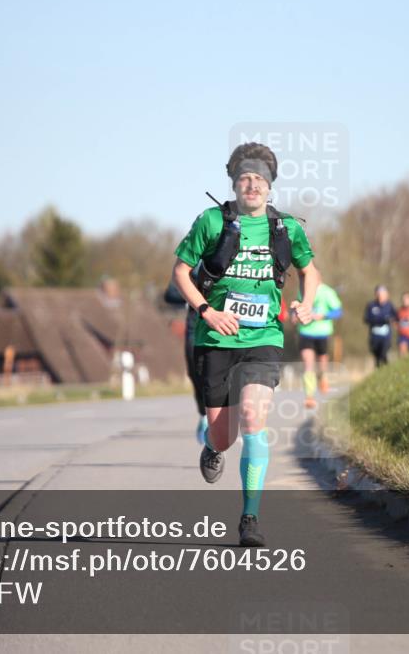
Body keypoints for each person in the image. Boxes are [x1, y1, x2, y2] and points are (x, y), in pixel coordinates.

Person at [172, 142, 320, 548]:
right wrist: (206, 311)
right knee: (224, 437)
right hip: (216, 338)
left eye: (259, 179)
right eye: (244, 178)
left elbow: (311, 272)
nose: (252, 185)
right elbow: (181, 272)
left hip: (263, 339)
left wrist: (306, 305)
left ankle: (249, 518)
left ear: (270, 187)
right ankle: (211, 446)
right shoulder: (210, 221)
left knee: (255, 420)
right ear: (234, 184)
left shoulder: (287, 228)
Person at [163, 274, 207, 444]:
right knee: (195, 371)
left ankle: (224, 416)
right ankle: (204, 415)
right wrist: (190, 293)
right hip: (195, 326)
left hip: (224, 325)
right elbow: (170, 294)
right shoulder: (192, 265)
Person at [293, 282, 342, 408]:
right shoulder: (302, 289)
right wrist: (294, 315)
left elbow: (338, 312)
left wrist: (324, 315)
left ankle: (323, 377)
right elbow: (297, 307)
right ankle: (309, 396)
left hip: (322, 333)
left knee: (322, 360)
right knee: (308, 363)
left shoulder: (328, 291)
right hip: (305, 332)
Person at [363, 285, 397, 368]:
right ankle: (379, 369)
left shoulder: (390, 305)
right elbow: (366, 319)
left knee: (383, 353)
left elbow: (396, 317)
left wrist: (391, 321)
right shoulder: (371, 305)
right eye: (379, 294)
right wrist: (379, 320)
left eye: (382, 294)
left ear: (386, 295)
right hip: (374, 336)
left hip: (386, 336)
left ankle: (386, 368)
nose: (380, 296)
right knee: (376, 356)